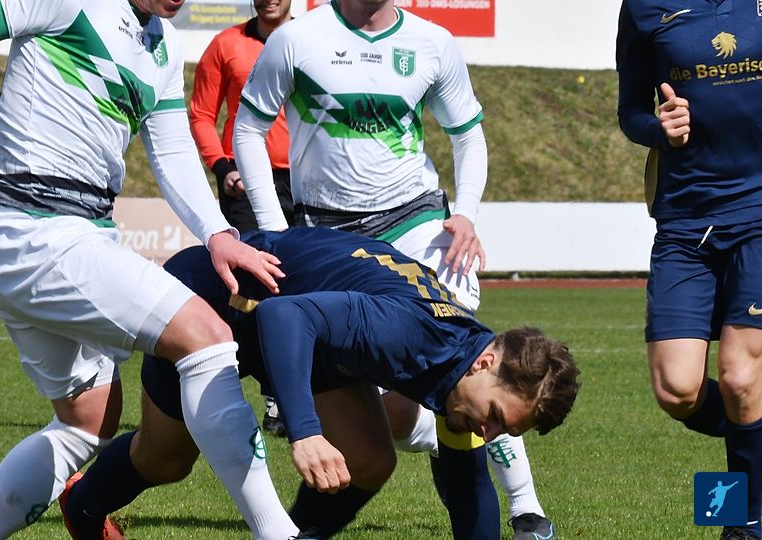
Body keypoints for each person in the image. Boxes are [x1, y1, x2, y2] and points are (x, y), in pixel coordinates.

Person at [0, 0, 304, 538]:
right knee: (208, 338)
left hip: (54, 235)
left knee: (87, 420)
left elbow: (173, 149)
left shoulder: (163, 43)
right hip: (34, 230)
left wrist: (218, 234)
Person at [232, 0, 556, 537]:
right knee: (400, 423)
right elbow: (247, 129)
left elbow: (467, 134)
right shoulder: (296, 39)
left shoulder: (432, 42)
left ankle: (525, 506)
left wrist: (466, 214)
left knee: (475, 366)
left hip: (415, 221)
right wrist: (274, 232)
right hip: (326, 230)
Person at [60, 226, 581, 539]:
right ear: (486, 364)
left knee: (370, 460)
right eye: (495, 418)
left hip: (310, 342)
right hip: (220, 300)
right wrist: (305, 432)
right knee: (166, 460)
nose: (489, 433)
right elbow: (284, 316)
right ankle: (82, 505)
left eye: (502, 429)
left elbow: (469, 490)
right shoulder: (412, 333)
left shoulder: (464, 367)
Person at [616, 3, 762, 540]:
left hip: (758, 212)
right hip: (684, 221)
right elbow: (630, 110)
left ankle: (741, 525)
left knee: (742, 377)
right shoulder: (642, 7)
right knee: (676, 389)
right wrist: (658, 128)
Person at [189, 0, 295, 438]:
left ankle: (311, 394)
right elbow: (201, 114)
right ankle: (265, 395)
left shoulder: (312, 41)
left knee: (307, 287)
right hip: (246, 184)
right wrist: (221, 166)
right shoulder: (225, 44)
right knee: (254, 292)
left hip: (307, 185)